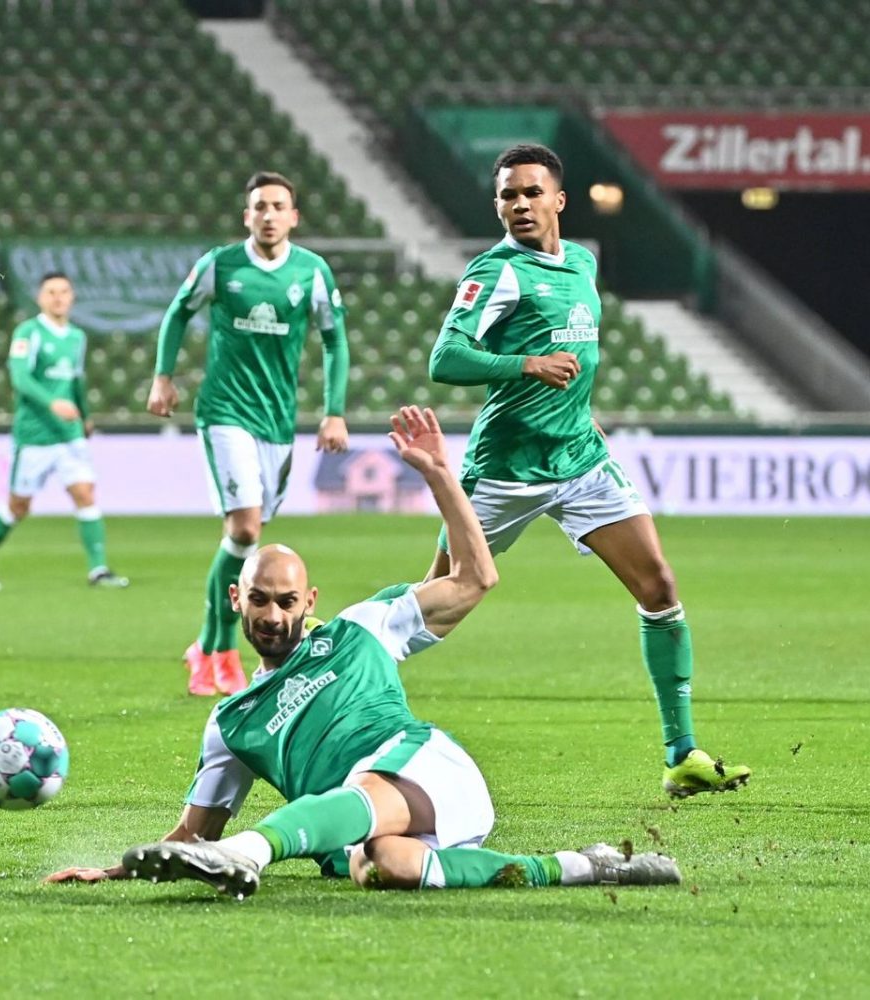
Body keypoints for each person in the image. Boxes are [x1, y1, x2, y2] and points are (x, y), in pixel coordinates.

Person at [46, 406, 681, 899]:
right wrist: (115, 872)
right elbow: (191, 839)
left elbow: (476, 577)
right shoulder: (230, 725)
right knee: (383, 868)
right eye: (261, 601)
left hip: (425, 772)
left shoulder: (363, 627)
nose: (273, 616)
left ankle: (255, 852)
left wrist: (439, 474)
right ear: (236, 598)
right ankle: (584, 865)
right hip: (376, 829)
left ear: (309, 598)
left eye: (287, 601)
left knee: (362, 790)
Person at [426, 143, 750, 798]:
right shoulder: (496, 273)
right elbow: (446, 359)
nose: (519, 204)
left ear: (558, 200)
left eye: (530, 192)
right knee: (443, 603)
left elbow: (576, 354)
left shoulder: (580, 262)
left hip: (580, 456)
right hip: (508, 468)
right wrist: (527, 366)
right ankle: (330, 647)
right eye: (507, 195)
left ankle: (682, 754)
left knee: (658, 586)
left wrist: (580, 409)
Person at [148, 171, 350, 697]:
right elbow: (177, 313)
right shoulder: (221, 265)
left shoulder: (311, 272)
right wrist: (163, 377)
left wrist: (334, 412)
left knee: (247, 537)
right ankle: (218, 648)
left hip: (277, 422)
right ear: (247, 215)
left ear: (293, 216)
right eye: (259, 206)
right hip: (224, 412)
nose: (268, 214)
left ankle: (204, 645)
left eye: (278, 205)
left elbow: (335, 340)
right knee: (243, 529)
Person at [0, 271, 129, 591]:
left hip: (68, 435)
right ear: (40, 298)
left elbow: (77, 381)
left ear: (72, 297)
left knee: (85, 494)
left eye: (64, 291)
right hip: (34, 435)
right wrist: (52, 402)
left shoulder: (76, 337)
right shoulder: (29, 332)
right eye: (51, 292)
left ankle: (98, 568)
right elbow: (20, 378)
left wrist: (84, 416)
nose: (58, 297)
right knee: (19, 506)